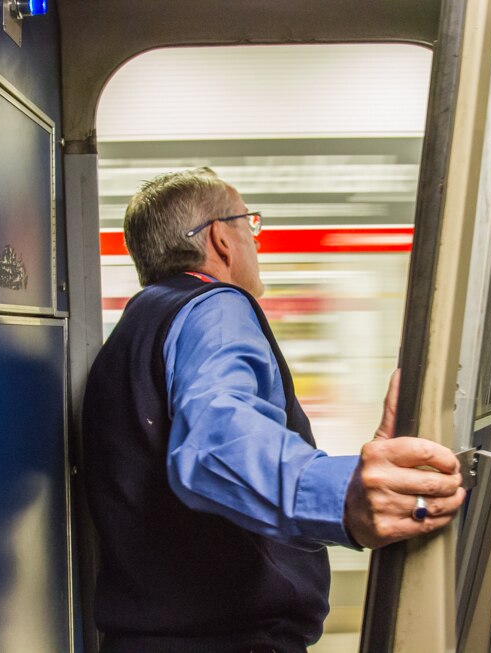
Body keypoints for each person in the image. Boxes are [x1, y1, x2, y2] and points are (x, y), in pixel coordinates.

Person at [82, 168, 466, 653]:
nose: (256, 242)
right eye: (251, 225)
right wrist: (344, 496)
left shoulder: (135, 327)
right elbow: (213, 444)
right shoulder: (218, 308)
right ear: (221, 239)